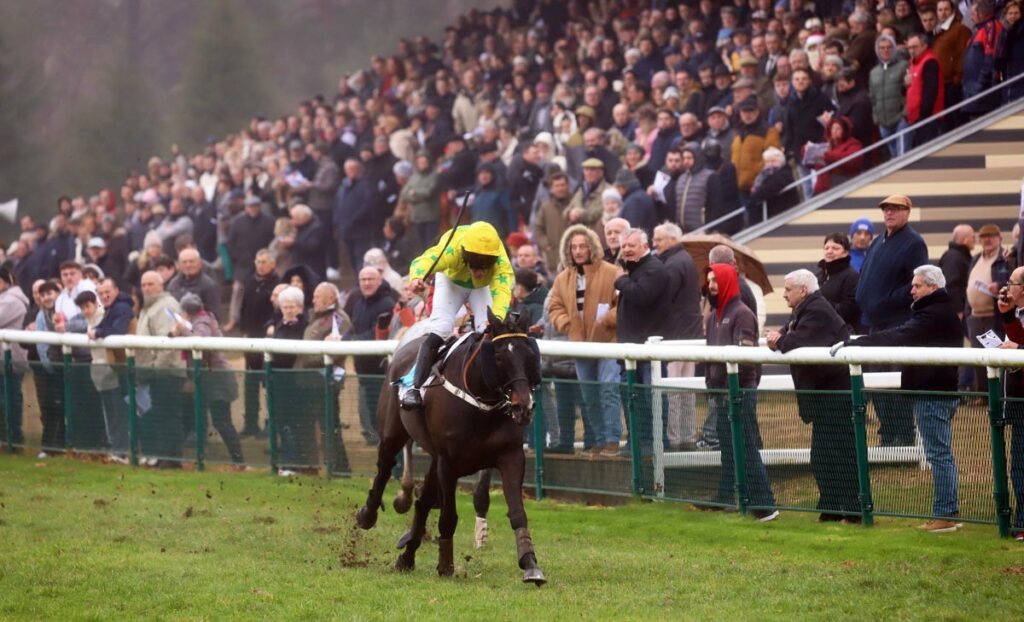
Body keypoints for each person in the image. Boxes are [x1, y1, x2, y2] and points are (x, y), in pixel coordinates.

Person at [837, 265, 963, 533]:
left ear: (932, 287)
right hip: (934, 391)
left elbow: (899, 335)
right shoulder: (936, 311)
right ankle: (947, 511)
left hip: (933, 393)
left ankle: (945, 514)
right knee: (940, 453)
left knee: (938, 454)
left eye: (917, 286)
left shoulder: (934, 314)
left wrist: (858, 343)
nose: (912, 290)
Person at [766, 269, 858, 522]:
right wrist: (779, 338)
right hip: (825, 396)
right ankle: (831, 508)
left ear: (803, 291)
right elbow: (785, 335)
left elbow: (791, 341)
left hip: (834, 396)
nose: (783, 295)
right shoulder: (805, 309)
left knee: (839, 454)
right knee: (824, 455)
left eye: (787, 290)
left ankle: (851, 510)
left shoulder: (816, 310)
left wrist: (779, 340)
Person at [400, 221, 514, 410]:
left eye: (484, 267)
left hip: (481, 289)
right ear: (465, 255)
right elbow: (425, 260)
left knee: (488, 330)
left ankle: (498, 390)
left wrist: (497, 318)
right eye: (475, 265)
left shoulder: (501, 262)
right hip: (451, 282)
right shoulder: (453, 249)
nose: (478, 272)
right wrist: (417, 277)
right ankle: (414, 388)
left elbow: (502, 292)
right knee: (441, 328)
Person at [705, 262, 778, 521]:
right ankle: (726, 497)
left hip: (740, 392)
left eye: (715, 280)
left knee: (746, 447)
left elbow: (744, 358)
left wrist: (727, 386)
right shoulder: (713, 316)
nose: (710, 285)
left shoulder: (742, 314)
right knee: (727, 448)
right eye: (709, 280)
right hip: (721, 394)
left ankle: (765, 505)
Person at [855, 195, 928, 447]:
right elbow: (866, 274)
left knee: (895, 379)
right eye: (886, 209)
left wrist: (885, 300)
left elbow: (915, 284)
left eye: (896, 209)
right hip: (875, 322)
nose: (889, 213)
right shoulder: (878, 241)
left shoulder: (914, 243)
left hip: (898, 321)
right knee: (875, 381)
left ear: (907, 212)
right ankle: (887, 432)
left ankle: (904, 436)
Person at [547, 225, 621, 457]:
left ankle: (612, 440)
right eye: (574, 247)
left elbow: (623, 304)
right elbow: (554, 305)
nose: (578, 251)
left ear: (592, 247)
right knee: (589, 394)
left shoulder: (611, 271)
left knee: (609, 390)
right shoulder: (562, 278)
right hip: (580, 345)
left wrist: (608, 320)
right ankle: (599, 440)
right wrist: (566, 324)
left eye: (582, 246)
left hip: (607, 341)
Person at [172, 293, 244, 464]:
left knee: (222, 422)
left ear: (186, 312)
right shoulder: (201, 319)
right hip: (211, 378)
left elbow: (200, 342)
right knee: (209, 419)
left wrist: (182, 329)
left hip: (217, 380)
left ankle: (239, 461)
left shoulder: (202, 322)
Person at [653, 223, 703, 450]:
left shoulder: (673, 263)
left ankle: (675, 438)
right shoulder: (686, 259)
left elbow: (664, 299)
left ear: (672, 240)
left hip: (675, 335)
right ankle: (688, 435)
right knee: (687, 390)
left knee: (675, 391)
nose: (655, 244)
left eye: (659, 239)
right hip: (689, 333)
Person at [294, 282, 352, 475]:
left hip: (324, 382)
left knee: (329, 427)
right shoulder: (317, 317)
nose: (313, 299)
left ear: (331, 299)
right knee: (308, 425)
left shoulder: (338, 319)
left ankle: (340, 469)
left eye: (318, 296)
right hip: (308, 382)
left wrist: (308, 358)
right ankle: (311, 467)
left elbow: (336, 352)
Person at [134, 270, 186, 468]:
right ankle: (165, 457)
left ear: (161, 285)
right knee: (161, 415)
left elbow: (168, 342)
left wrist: (157, 368)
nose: (146, 288)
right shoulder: (148, 307)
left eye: (151, 284)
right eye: (144, 285)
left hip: (166, 371)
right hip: (153, 370)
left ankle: (171, 459)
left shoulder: (167, 305)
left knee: (169, 415)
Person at [343, 267, 397, 445]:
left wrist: (350, 341)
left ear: (379, 281)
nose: (366, 283)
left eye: (370, 279)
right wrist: (344, 339)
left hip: (380, 367)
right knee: (369, 405)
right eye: (363, 279)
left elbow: (376, 334)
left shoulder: (387, 303)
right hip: (363, 367)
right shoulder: (359, 302)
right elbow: (354, 327)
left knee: (381, 407)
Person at [965, 224, 1011, 390]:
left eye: (991, 236)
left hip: (994, 317)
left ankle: (997, 395)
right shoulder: (975, 259)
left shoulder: (1006, 258)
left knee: (995, 357)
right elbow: (968, 286)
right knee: (978, 358)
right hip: (975, 317)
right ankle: (982, 395)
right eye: (984, 237)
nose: (988, 240)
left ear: (1000, 238)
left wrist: (999, 285)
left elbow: (1014, 282)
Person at [997, 265, 1024, 540]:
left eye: (1012, 282)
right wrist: (1005, 316)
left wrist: (1018, 350)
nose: (1007, 287)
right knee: (1018, 464)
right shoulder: (1018, 313)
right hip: (1016, 399)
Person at [227, 196, 275, 329]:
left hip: (263, 264)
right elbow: (230, 242)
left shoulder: (269, 222)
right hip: (244, 264)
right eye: (250, 206)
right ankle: (233, 319)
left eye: (255, 206)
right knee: (238, 290)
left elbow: (273, 242)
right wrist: (238, 257)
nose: (252, 209)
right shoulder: (238, 222)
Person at [0, 267, 29, 449]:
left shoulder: (12, 301)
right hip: (3, 360)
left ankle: (13, 438)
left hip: (10, 360)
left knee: (8, 400)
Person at [870, 34, 910, 158]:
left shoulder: (904, 65)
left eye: (889, 47)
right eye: (882, 48)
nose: (885, 50)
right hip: (883, 122)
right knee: (894, 157)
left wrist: (905, 114)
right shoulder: (874, 72)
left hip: (901, 119)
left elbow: (910, 90)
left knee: (903, 156)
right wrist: (876, 118)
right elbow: (872, 97)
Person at [904, 32, 945, 148]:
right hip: (916, 118)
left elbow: (930, 92)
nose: (911, 51)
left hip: (927, 119)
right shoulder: (913, 63)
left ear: (924, 46)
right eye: (909, 48)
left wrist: (923, 116)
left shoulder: (929, 62)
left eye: (915, 47)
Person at [816, 232, 861, 329]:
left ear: (846, 252)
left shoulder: (852, 277)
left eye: (835, 248)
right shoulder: (818, 276)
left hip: (839, 332)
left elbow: (849, 310)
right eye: (826, 248)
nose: (829, 251)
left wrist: (818, 307)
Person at [744, 147, 799, 225]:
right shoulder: (763, 175)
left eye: (773, 161)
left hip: (782, 214)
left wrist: (754, 197)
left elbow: (769, 188)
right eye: (767, 161)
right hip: (769, 215)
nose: (770, 164)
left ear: (781, 161)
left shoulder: (784, 174)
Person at [167, 248, 221, 321]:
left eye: (191, 261)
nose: (188, 265)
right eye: (184, 262)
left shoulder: (209, 285)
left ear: (199, 264)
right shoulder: (173, 285)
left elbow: (215, 315)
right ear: (179, 265)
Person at [938, 224, 976, 321]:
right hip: (957, 312)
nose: (975, 240)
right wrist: (958, 310)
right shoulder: (954, 258)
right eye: (973, 237)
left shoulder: (960, 256)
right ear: (965, 239)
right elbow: (951, 284)